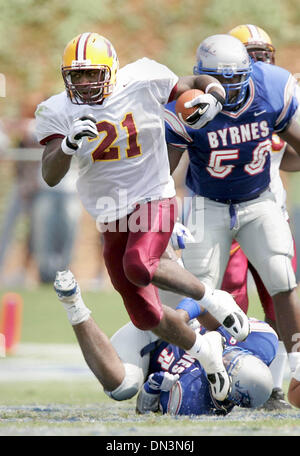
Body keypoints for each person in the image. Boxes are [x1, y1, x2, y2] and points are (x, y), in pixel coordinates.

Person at [35, 32, 250, 402]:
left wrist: (213, 95)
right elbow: (50, 173)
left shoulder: (143, 78)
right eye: (77, 76)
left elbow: (195, 83)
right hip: (111, 214)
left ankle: (214, 299)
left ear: (113, 70)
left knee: (140, 263)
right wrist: (68, 145)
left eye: (92, 74)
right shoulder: (57, 110)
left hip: (154, 193)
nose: (85, 84)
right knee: (145, 315)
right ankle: (205, 352)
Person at [164, 33, 300, 408]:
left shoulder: (271, 87)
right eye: (217, 81)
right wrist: (166, 214)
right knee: (204, 293)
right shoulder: (187, 106)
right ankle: (209, 370)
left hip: (260, 200)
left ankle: (298, 371)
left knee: (282, 279)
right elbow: (163, 170)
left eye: (235, 79)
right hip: (208, 203)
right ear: (201, 78)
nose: (227, 89)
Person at [54, 269, 275, 416]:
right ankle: (165, 241)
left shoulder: (194, 400)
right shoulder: (262, 341)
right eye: (236, 355)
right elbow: (210, 302)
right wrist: (180, 319)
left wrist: (151, 390)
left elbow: (145, 410)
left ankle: (74, 305)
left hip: (146, 345)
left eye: (229, 366)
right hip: (181, 320)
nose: (228, 356)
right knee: (170, 274)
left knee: (122, 387)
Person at [220, 24, 300, 410]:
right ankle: (232, 379)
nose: (256, 62)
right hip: (225, 216)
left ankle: (277, 386)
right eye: (247, 54)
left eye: (262, 54)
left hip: (270, 212)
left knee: (280, 298)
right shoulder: (216, 99)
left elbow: (293, 158)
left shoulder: (277, 97)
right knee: (230, 302)